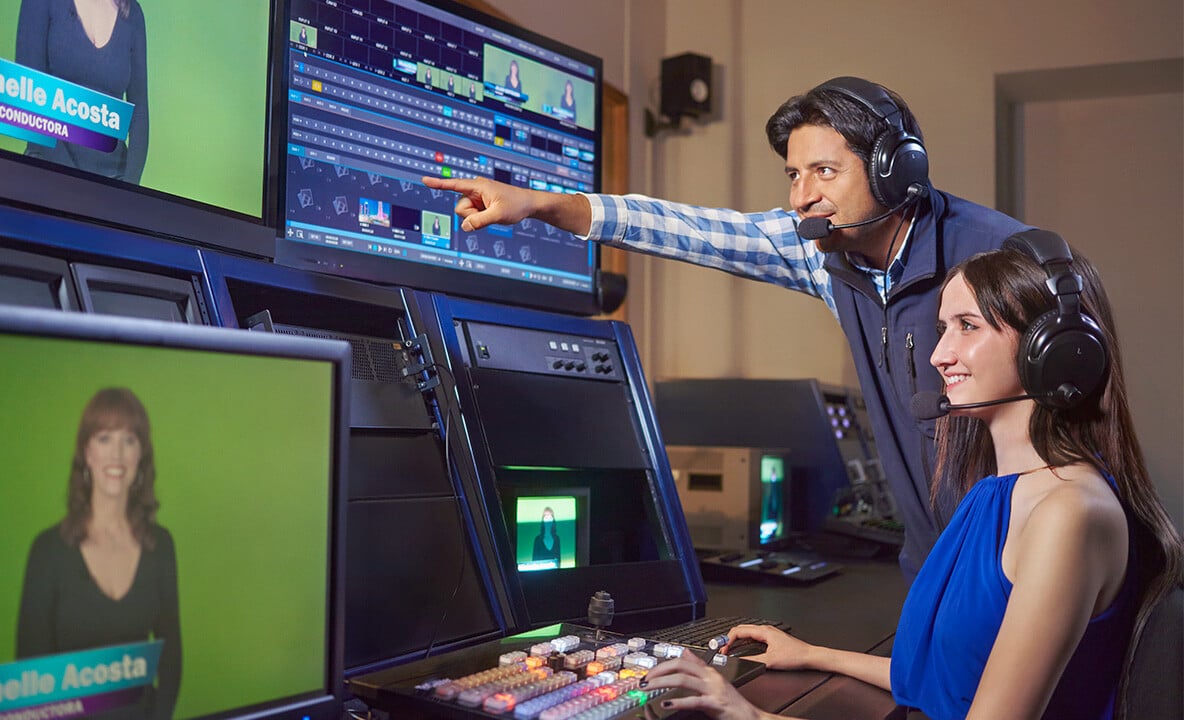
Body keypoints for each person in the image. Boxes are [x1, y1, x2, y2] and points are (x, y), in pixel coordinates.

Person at [422, 76, 1032, 579]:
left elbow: (1071, 420)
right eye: (794, 175)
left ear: (897, 169)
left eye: (823, 171)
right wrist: (540, 204)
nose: (802, 196)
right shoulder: (830, 252)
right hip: (935, 565)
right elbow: (687, 229)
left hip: (1023, 554)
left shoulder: (999, 253)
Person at [636, 242, 1184, 720]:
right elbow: (953, 680)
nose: (941, 354)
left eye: (968, 327)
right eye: (943, 328)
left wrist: (751, 717)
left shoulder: (1069, 512)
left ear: (1054, 352)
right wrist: (812, 654)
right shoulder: (999, 494)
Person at [17, 387, 181, 720]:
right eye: (105, 438)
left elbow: (171, 655)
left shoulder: (160, 545)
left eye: (130, 440)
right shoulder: (48, 551)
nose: (117, 454)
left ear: (141, 456)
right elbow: (30, 680)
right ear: (87, 452)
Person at [16, 0, 149, 184]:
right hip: (48, 170)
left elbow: (139, 113)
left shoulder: (132, 13)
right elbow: (27, 91)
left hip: (111, 183)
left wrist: (128, 189)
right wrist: (76, 185)